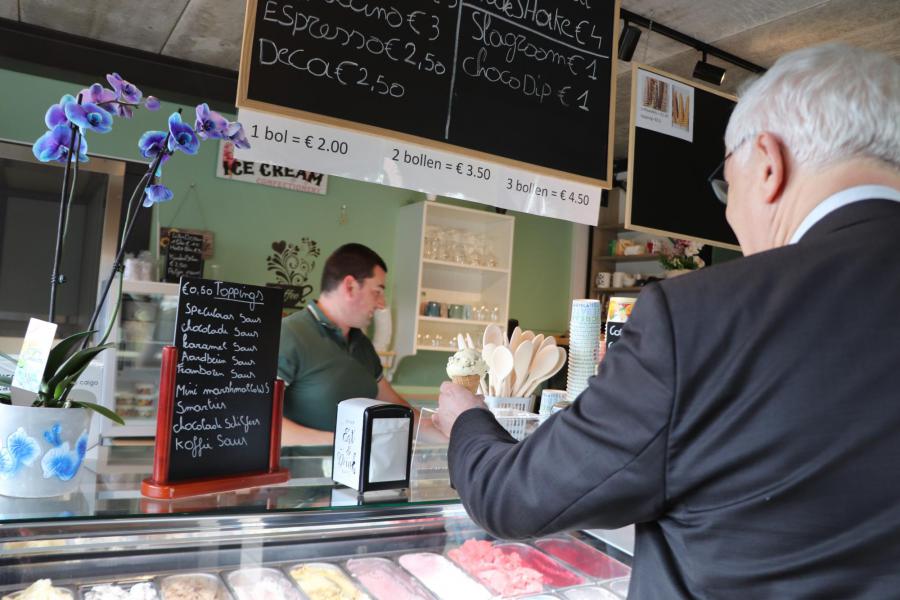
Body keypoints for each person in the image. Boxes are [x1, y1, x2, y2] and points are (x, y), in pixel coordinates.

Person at [434, 43, 900, 598]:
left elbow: (516, 498)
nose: (729, 214)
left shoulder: (697, 318)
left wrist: (466, 419)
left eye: (728, 185)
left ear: (769, 164)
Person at [278, 243, 412, 447]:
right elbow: (258, 422)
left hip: (352, 476)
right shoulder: (289, 334)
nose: (382, 303)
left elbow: (398, 410)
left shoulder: (362, 344)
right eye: (377, 292)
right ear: (349, 286)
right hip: (303, 477)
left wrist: (456, 429)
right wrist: (345, 443)